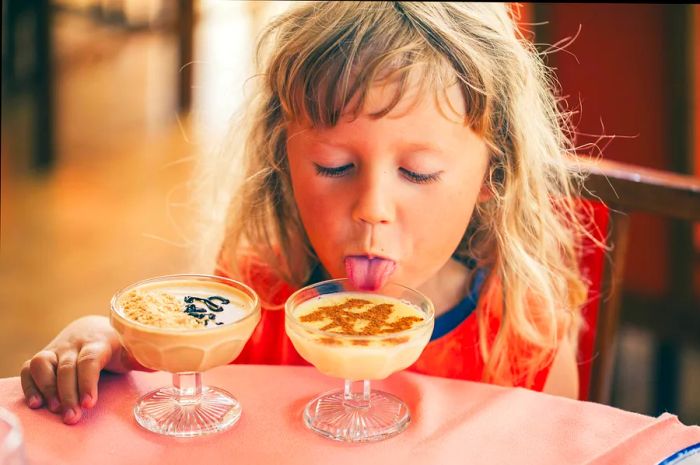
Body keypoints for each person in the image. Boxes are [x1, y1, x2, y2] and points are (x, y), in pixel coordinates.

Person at [20, 2, 597, 425]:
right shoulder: (254, 298)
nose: (372, 209)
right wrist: (109, 346)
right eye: (333, 166)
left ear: (491, 178)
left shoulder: (525, 334)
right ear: (283, 161)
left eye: (417, 173)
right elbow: (176, 384)